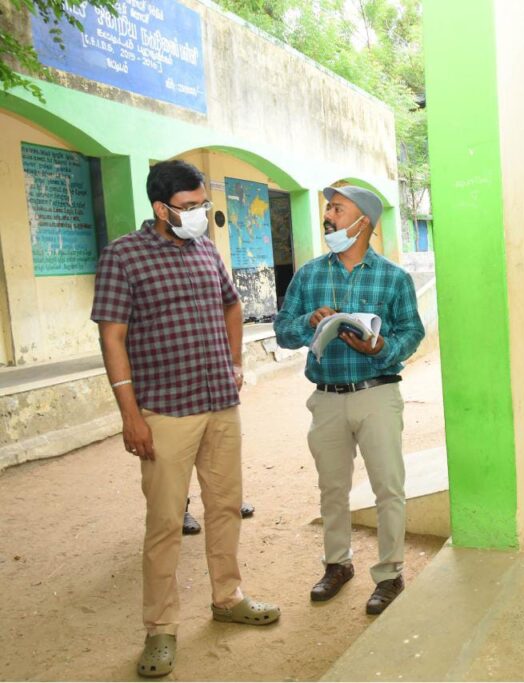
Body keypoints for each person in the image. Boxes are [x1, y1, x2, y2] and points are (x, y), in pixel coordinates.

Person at [91, 160, 280, 678]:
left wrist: (235, 363)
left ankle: (228, 597)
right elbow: (112, 337)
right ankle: (160, 628)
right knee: (166, 523)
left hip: (219, 403)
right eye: (190, 206)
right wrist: (130, 415)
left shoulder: (205, 250)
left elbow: (232, 306)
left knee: (224, 506)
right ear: (161, 208)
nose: (200, 214)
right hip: (165, 410)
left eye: (203, 204)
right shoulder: (123, 256)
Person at [274, 185, 424, 614]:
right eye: (328, 209)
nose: (328, 217)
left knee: (388, 488)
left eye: (337, 210)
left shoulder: (393, 277)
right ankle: (337, 564)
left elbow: (412, 331)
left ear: (363, 223)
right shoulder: (309, 275)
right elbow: (283, 331)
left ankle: (390, 573)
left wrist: (383, 347)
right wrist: (309, 321)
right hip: (327, 398)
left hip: (377, 393)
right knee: (333, 488)